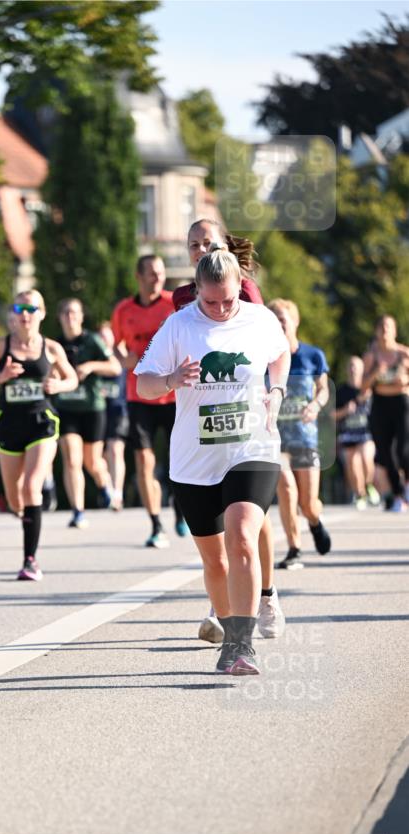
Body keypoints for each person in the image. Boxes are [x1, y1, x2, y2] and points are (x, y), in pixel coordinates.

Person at [136, 245, 290, 675]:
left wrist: (276, 392)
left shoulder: (258, 319)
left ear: (241, 286)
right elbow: (144, 384)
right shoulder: (179, 326)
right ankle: (227, 628)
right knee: (214, 561)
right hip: (194, 460)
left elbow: (280, 354)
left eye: (230, 299)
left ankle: (241, 646)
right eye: (211, 301)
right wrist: (169, 380)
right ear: (196, 291)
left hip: (252, 447)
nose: (222, 309)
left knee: (241, 536)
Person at [174, 219, 285, 640]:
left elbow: (271, 346)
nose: (201, 249)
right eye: (194, 244)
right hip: (202, 417)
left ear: (225, 247)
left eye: (209, 242)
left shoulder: (246, 291)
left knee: (249, 518)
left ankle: (265, 595)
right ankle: (225, 601)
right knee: (220, 526)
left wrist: (275, 391)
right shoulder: (182, 297)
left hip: (249, 420)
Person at [0, 289, 77, 581]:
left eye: (31, 309)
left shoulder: (52, 348)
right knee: (15, 499)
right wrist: (0, 378)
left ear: (42, 314)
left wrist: (58, 387)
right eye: (20, 308)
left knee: (32, 487)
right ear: (13, 315)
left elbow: (71, 378)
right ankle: (28, 508)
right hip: (9, 426)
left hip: (41, 423)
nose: (25, 314)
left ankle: (30, 560)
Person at [112, 254, 188, 547]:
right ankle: (156, 523)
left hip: (172, 396)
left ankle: (180, 512)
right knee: (143, 460)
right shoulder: (124, 310)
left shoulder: (174, 305)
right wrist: (124, 359)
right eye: (152, 273)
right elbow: (115, 344)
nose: (158, 278)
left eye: (160, 273)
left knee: (177, 462)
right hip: (139, 395)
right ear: (139, 276)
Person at [268, 299, 332, 569]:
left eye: (283, 318)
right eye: (274, 320)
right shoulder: (266, 358)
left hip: (305, 437)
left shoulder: (313, 355)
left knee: (307, 504)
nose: (279, 324)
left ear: (295, 321)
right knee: (285, 488)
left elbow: (323, 389)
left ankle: (314, 522)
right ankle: (294, 548)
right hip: (277, 437)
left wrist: (316, 405)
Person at [54, 298, 121, 527]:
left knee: (92, 462)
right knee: (72, 459)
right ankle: (77, 511)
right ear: (59, 317)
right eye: (65, 313)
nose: (70, 317)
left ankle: (104, 485)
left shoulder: (92, 341)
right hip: (66, 408)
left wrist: (90, 366)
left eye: (74, 312)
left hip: (92, 408)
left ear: (81, 316)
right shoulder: (56, 345)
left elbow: (115, 367)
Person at [361, 315, 409, 513]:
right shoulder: (371, 355)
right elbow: (362, 386)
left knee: (403, 450)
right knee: (386, 453)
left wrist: (405, 381)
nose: (384, 330)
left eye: (388, 326)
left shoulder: (404, 354)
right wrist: (375, 373)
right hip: (380, 404)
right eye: (381, 326)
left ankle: (407, 486)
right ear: (376, 331)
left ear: (395, 331)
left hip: (401, 402)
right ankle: (398, 495)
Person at [333, 356, 378, 509]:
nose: (353, 369)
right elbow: (331, 415)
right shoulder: (340, 391)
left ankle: (369, 485)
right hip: (348, 434)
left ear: (362, 369)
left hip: (366, 433)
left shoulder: (369, 389)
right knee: (352, 464)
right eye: (350, 366)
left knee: (366, 458)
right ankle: (360, 494)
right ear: (347, 370)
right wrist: (345, 411)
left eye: (356, 366)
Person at [99, 322, 129, 511]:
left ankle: (117, 494)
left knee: (115, 449)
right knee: (99, 456)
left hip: (119, 409)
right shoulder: (93, 359)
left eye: (107, 335)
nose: (104, 339)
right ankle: (107, 488)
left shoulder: (122, 357)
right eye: (100, 336)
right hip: (99, 411)